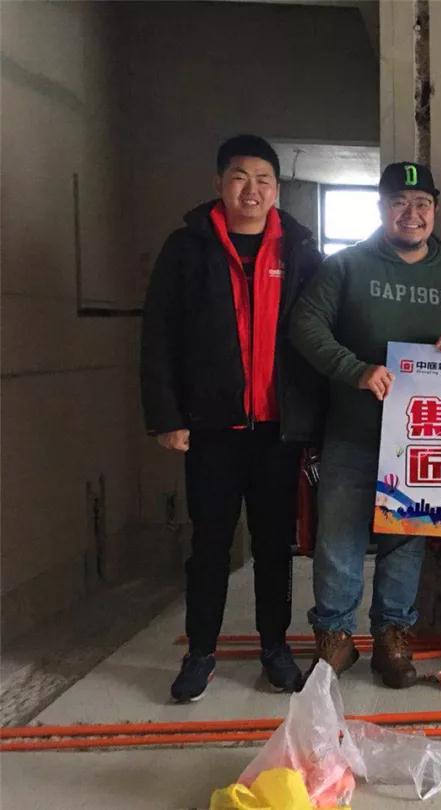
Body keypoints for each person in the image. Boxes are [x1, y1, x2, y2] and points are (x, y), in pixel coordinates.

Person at [141, 134, 325, 702]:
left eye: (263, 179)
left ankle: (275, 648)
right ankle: (200, 652)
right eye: (240, 177)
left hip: (277, 431)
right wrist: (167, 416)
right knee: (210, 545)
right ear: (219, 183)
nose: (252, 189)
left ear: (276, 189)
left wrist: (316, 419)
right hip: (211, 429)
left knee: (274, 547)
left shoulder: (300, 250)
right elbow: (159, 335)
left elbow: (321, 334)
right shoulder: (187, 248)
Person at [290, 161, 441, 689]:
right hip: (353, 430)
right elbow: (305, 324)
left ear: (435, 210)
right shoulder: (347, 266)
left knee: (405, 538)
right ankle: (334, 638)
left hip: (421, 440)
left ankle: (391, 638)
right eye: (399, 202)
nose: (411, 213)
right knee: (339, 538)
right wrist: (354, 369)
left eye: (422, 204)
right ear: (381, 208)